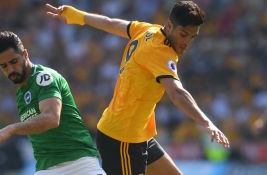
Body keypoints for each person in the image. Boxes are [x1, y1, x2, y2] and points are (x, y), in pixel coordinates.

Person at [45, 1, 230, 174]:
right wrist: (207, 123)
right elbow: (177, 93)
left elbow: (111, 23)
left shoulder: (149, 30)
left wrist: (78, 16)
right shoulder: (160, 52)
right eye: (183, 34)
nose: (187, 41)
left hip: (137, 135)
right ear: (170, 25)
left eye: (192, 36)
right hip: (122, 140)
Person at [0, 31, 106, 175]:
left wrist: (11, 129)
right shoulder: (21, 93)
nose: (10, 69)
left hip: (78, 164)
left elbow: (51, 118)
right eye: (4, 66)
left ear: (25, 54)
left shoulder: (44, 77)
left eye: (14, 62)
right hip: (46, 168)